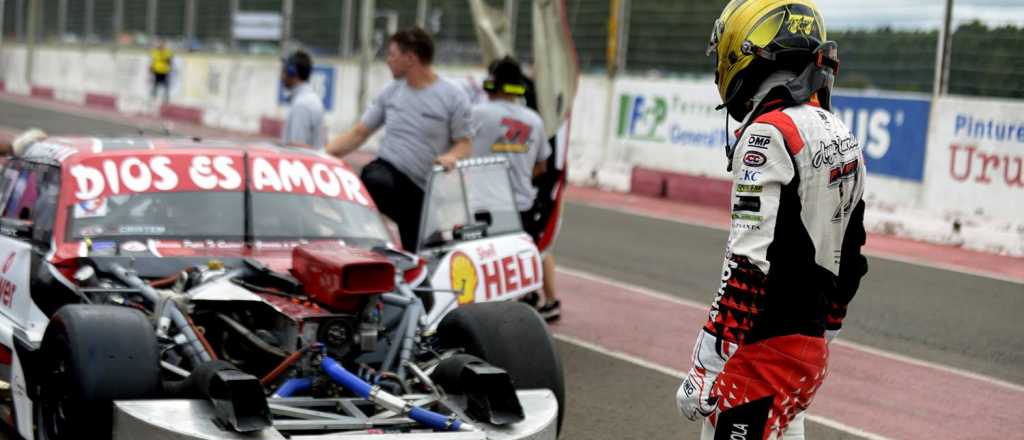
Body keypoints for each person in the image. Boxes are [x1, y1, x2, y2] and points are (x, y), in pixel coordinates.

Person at [675, 1, 868, 439]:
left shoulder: (767, 133)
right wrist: (823, 332)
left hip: (761, 354)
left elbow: (746, 266)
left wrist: (706, 362)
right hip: (809, 350)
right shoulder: (843, 135)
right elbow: (852, 258)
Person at [325, 27, 473, 251]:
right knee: (373, 179)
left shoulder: (453, 96)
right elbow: (359, 133)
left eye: (392, 55)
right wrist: (320, 154)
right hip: (388, 172)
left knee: (423, 254)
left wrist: (451, 157)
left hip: (422, 187)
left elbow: (464, 142)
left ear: (410, 58)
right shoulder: (390, 92)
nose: (387, 60)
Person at [470, 56, 561, 321]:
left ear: (492, 83)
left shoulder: (477, 113)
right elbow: (542, 166)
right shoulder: (534, 120)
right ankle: (549, 299)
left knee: (484, 257)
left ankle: (490, 310)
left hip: (483, 203)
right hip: (521, 202)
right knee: (534, 249)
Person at [281, 50, 326, 150]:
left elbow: (297, 149)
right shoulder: (308, 99)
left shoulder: (302, 104)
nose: (281, 76)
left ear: (292, 72)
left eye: (283, 70)